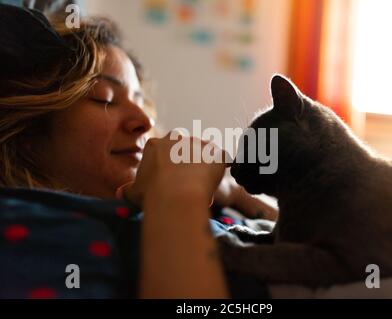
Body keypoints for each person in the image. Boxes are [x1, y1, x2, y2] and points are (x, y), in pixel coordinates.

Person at [0, 4, 277, 298]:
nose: (145, 122)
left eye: (140, 101)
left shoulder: (208, 202)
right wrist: (176, 194)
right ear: (30, 135)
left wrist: (237, 194)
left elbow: (319, 246)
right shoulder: (36, 234)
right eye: (105, 98)